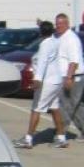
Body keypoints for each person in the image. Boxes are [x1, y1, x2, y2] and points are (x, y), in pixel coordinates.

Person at [13, 20, 69, 149]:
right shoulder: (54, 41)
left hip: (47, 81)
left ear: (40, 33)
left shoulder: (44, 45)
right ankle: (61, 138)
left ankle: (28, 139)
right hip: (56, 80)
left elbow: (43, 62)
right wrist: (42, 24)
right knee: (54, 108)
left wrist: (37, 80)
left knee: (36, 109)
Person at [54, 13, 84, 142]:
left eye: (61, 24)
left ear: (67, 24)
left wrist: (69, 77)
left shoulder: (71, 39)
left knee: (66, 106)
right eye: (57, 24)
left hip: (73, 76)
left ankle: (61, 134)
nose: (58, 26)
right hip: (64, 75)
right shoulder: (60, 37)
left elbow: (74, 61)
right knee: (76, 106)